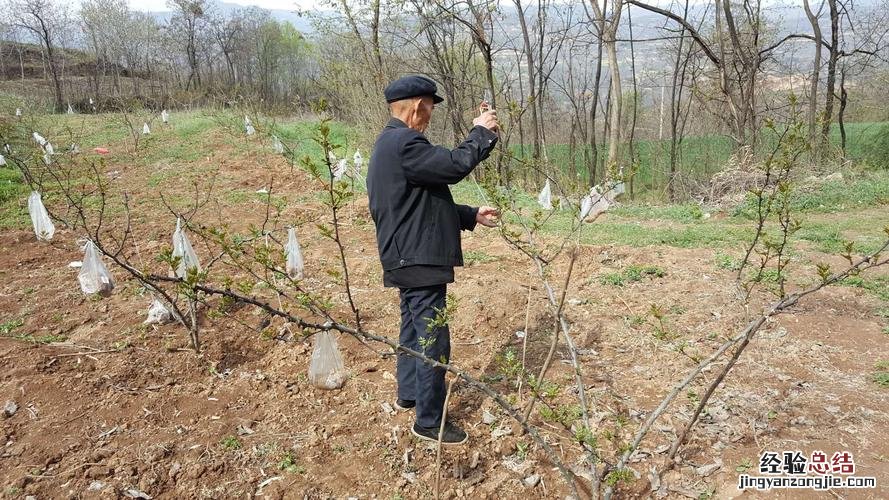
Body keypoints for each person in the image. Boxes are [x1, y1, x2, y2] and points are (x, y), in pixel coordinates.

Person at [366, 75, 500, 445]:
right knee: (432, 339)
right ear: (417, 106)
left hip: (405, 255)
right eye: (429, 108)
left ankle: (410, 395)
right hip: (418, 258)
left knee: (412, 328)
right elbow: (454, 166)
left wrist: (470, 215)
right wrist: (481, 133)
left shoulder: (387, 144)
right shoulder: (406, 142)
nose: (429, 116)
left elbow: (417, 202)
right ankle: (429, 421)